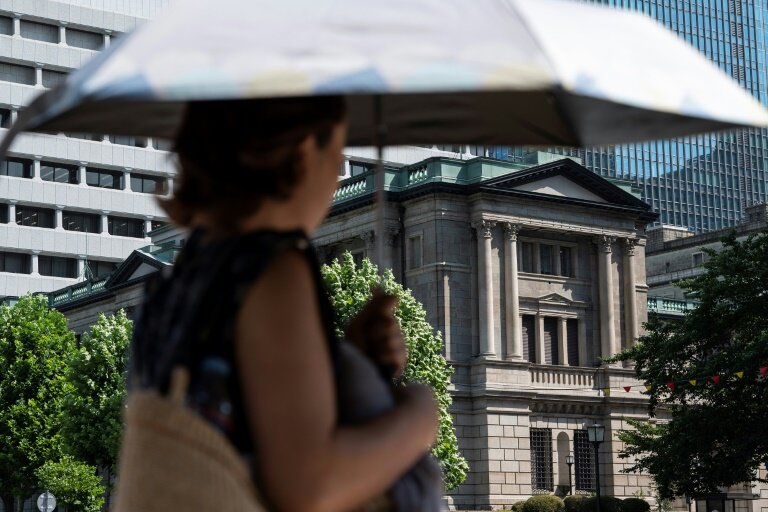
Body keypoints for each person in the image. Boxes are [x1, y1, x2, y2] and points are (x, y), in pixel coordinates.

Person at [130, 97, 440, 512]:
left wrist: (349, 359)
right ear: (306, 148)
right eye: (339, 152)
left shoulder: (178, 280)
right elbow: (310, 487)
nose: (336, 176)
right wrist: (419, 413)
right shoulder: (272, 269)